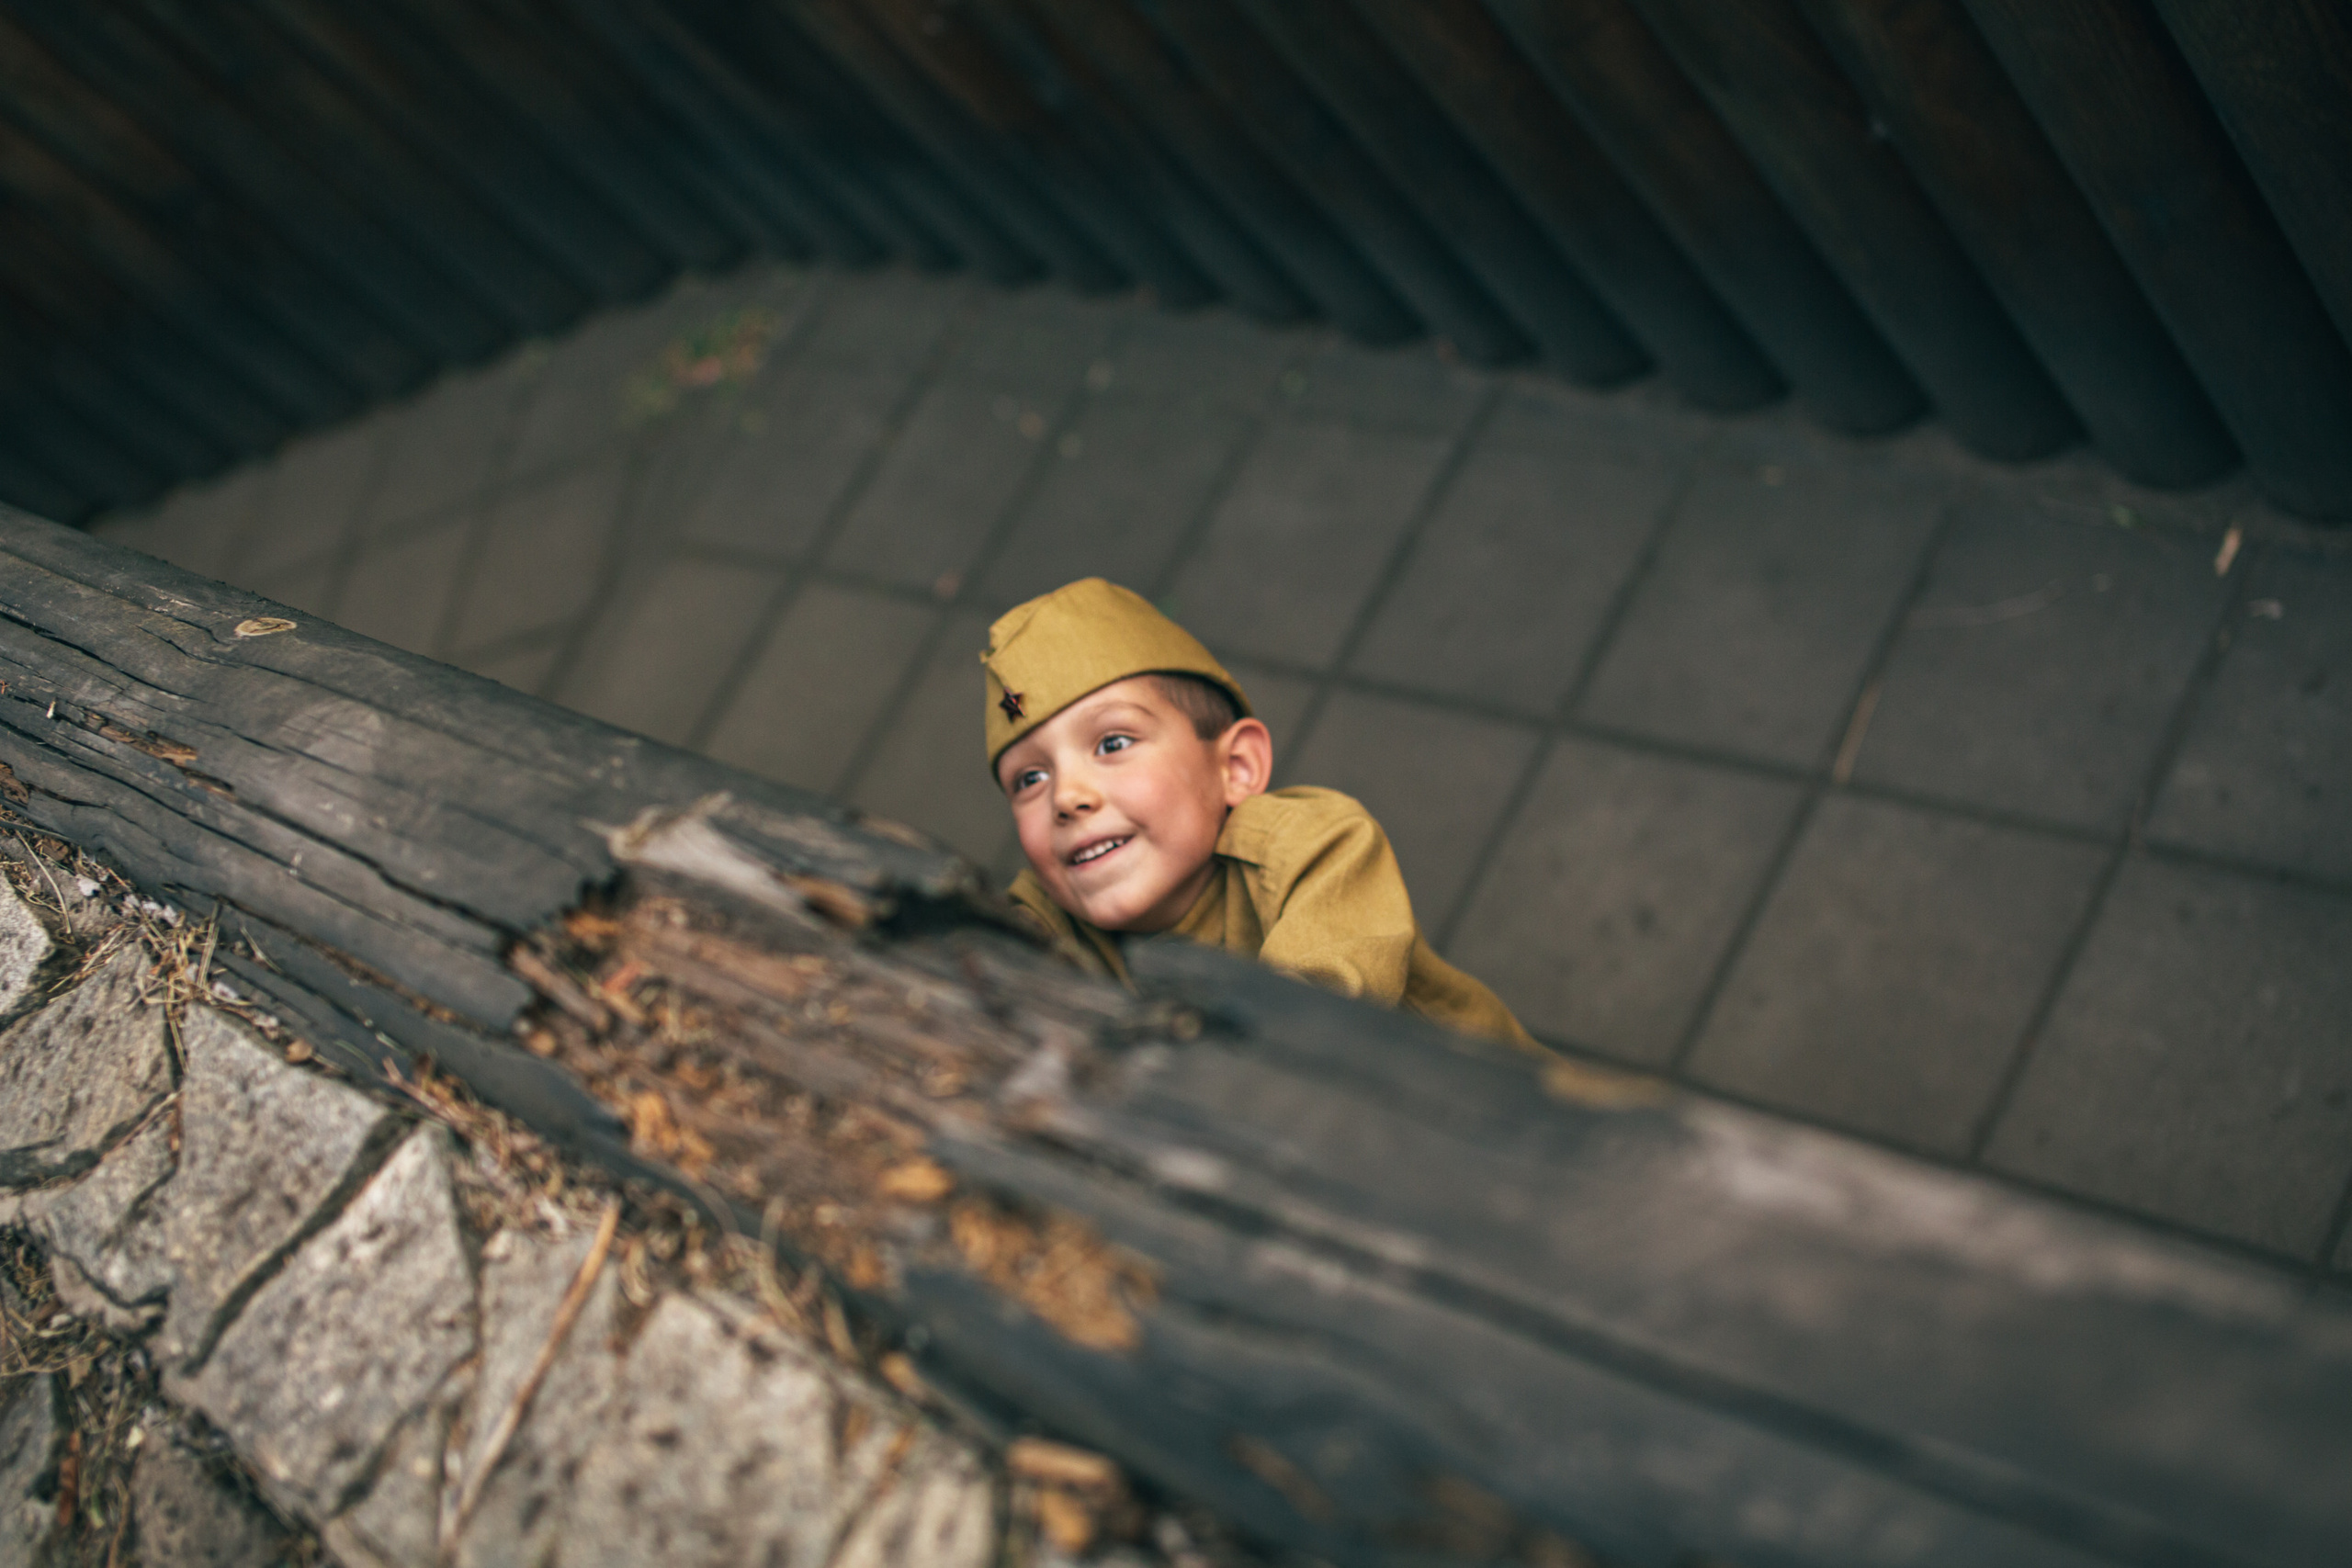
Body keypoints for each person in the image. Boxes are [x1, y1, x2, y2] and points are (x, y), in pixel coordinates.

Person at [985, 577, 1533, 1047]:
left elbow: (1307, 1032)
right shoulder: (1038, 924)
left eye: (1112, 744)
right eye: (1030, 779)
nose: (1065, 797)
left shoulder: (1314, 849)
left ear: (1237, 768)